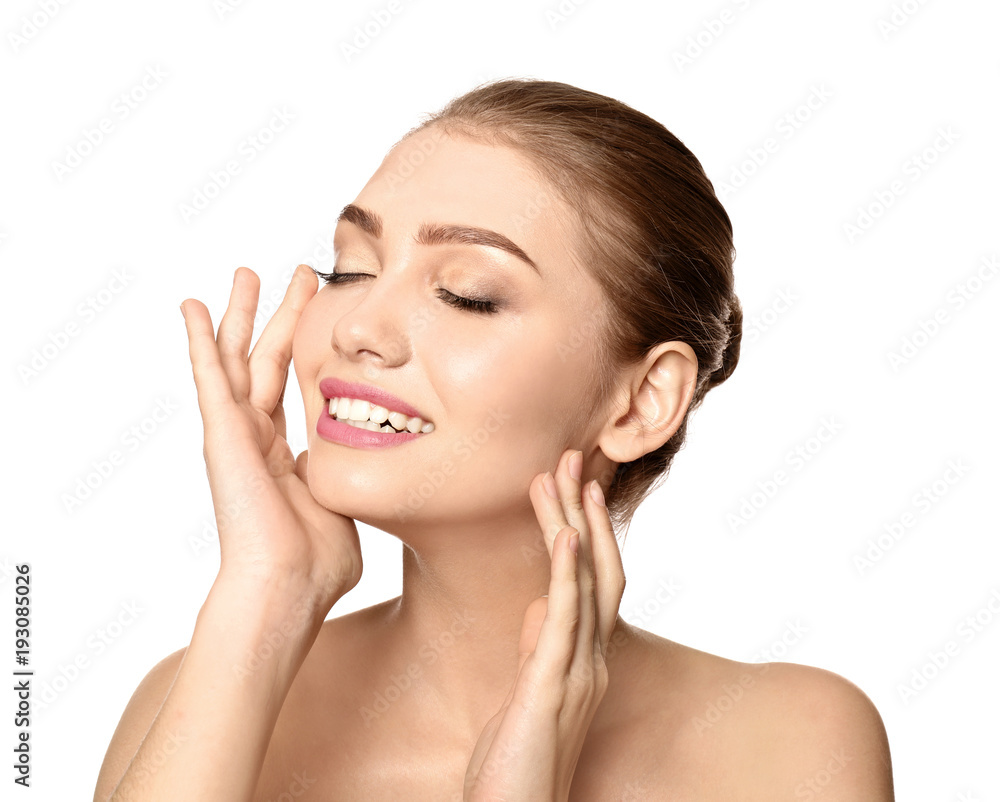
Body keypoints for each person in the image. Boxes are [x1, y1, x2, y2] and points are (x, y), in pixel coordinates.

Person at [94, 79, 894, 800]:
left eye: (465, 294)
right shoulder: (204, 696)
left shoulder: (792, 746)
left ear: (643, 400)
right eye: (350, 269)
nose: (359, 328)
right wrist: (267, 594)